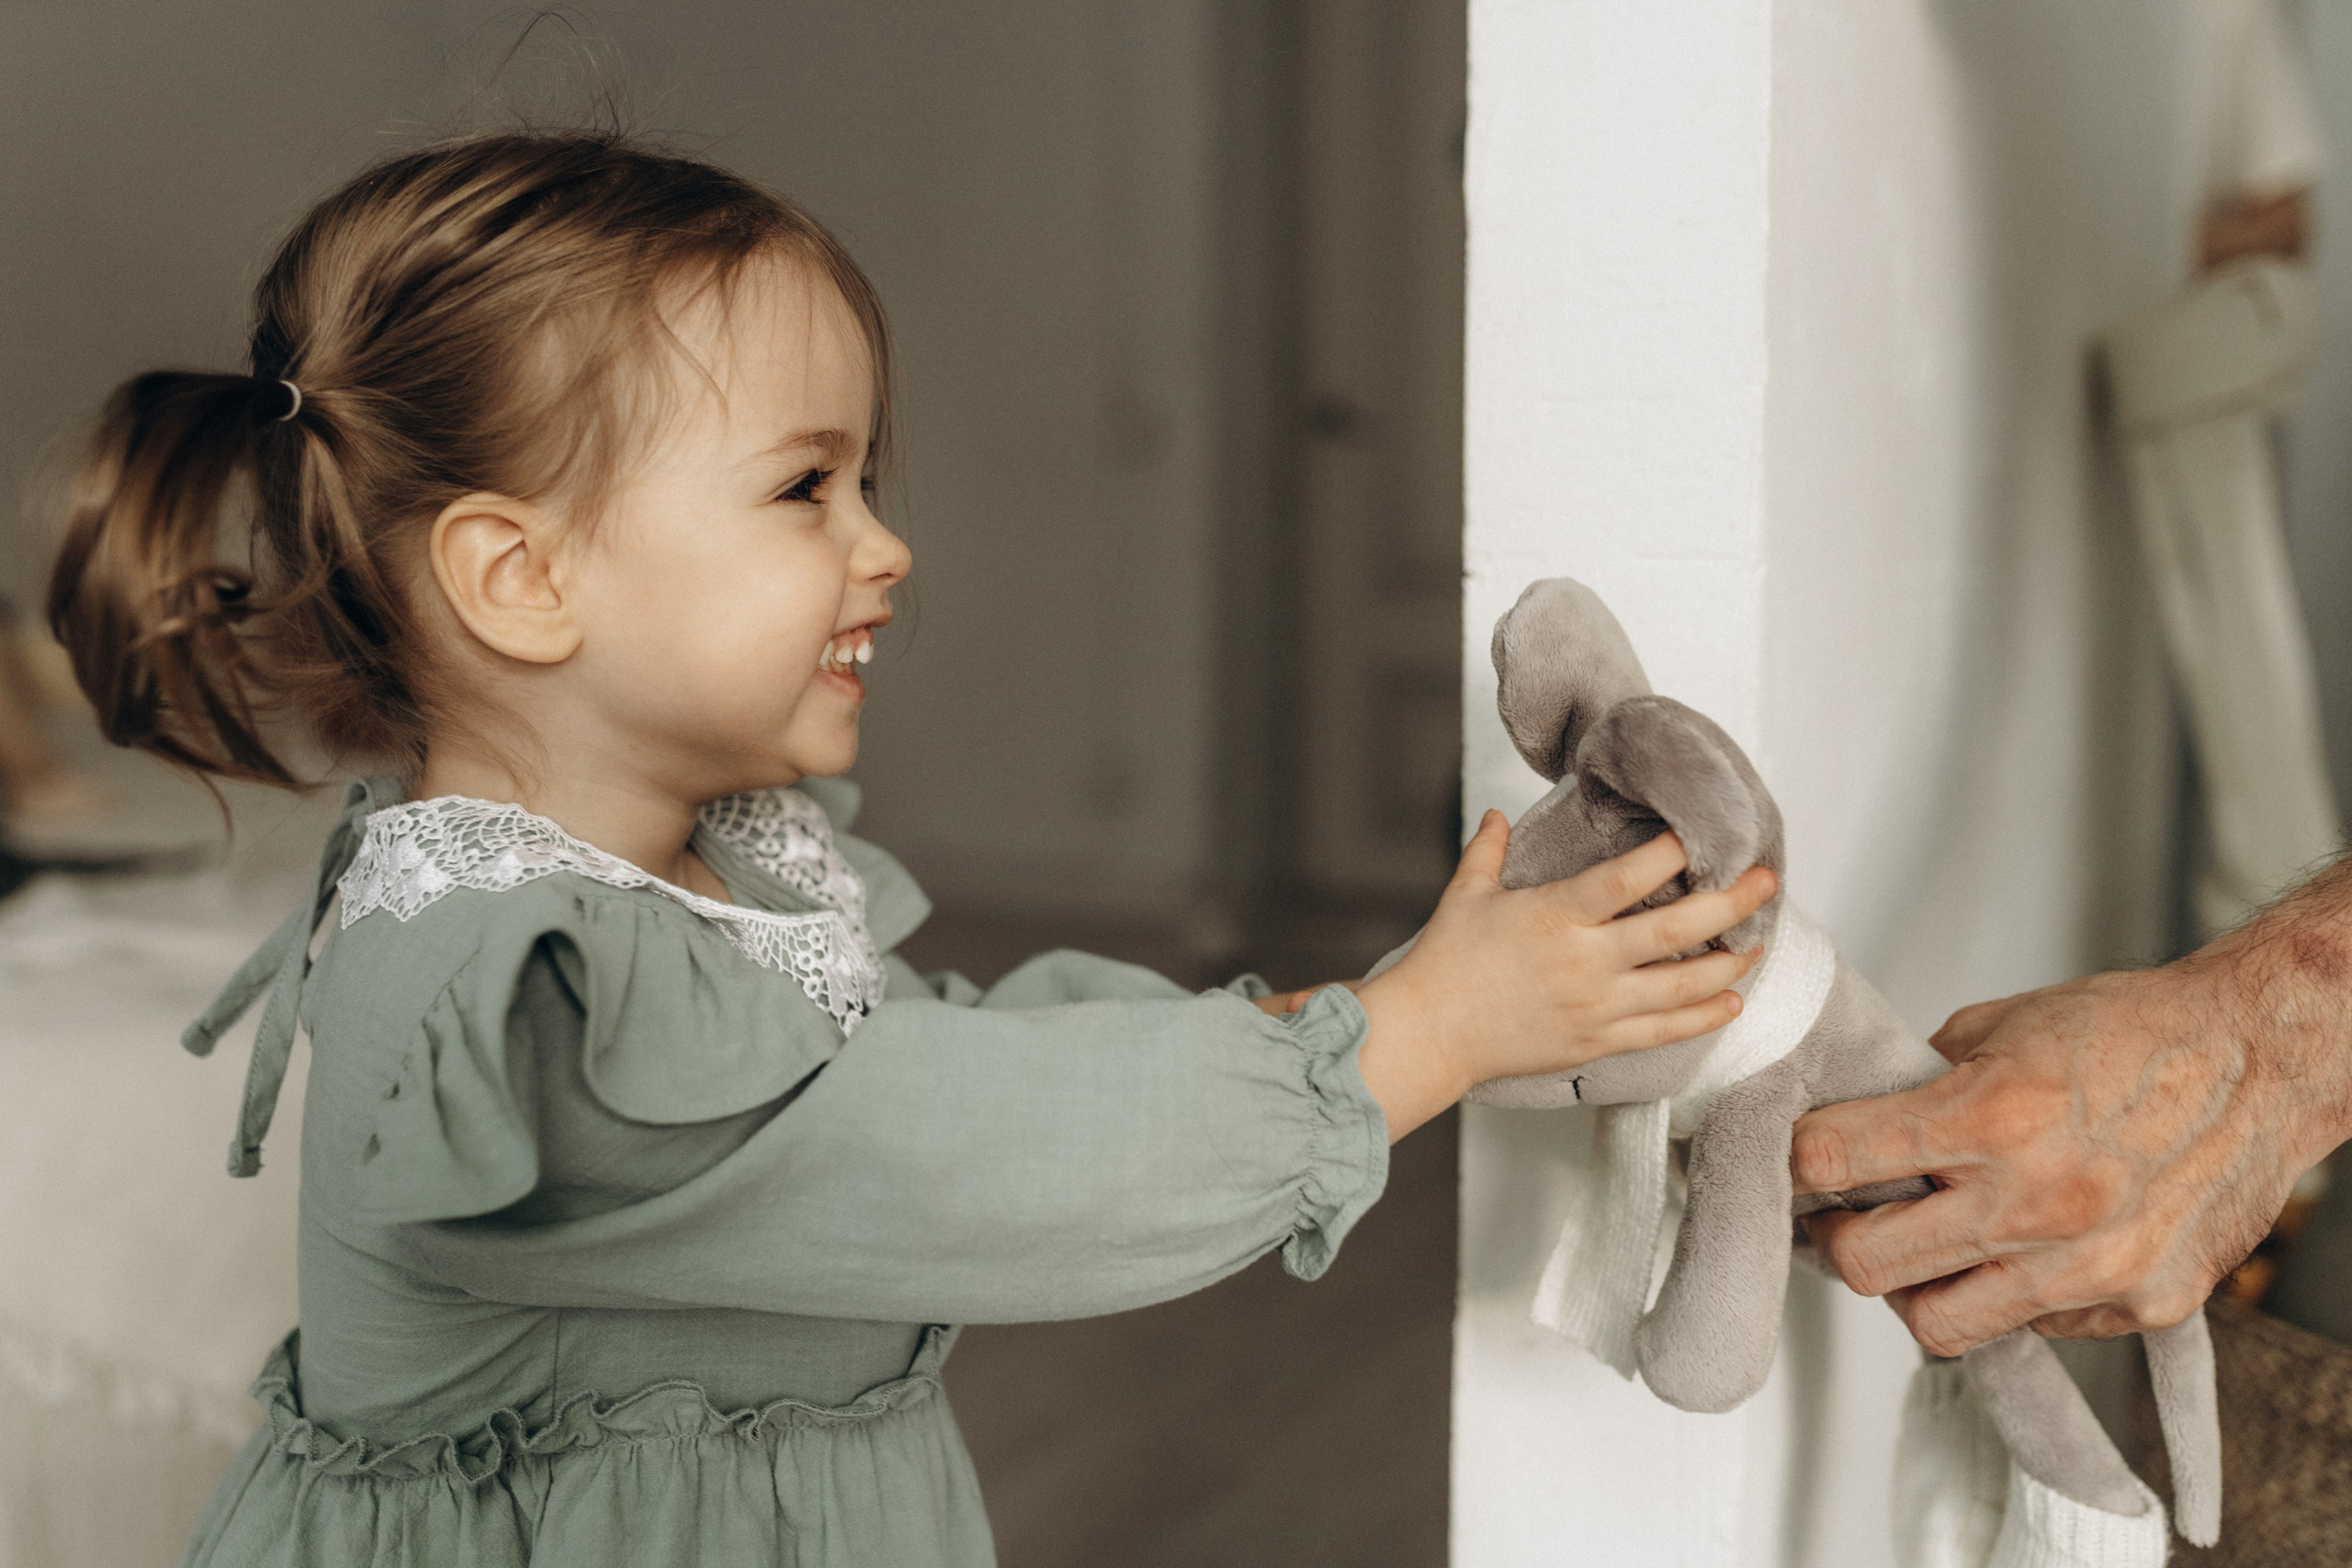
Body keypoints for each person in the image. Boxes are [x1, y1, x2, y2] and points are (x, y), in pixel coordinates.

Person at [43, 131, 1774, 1566]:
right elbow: (961, 1157)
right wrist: (1416, 1044)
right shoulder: (516, 996)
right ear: (523, 577)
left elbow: (935, 1044)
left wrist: (1348, 1015)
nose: (886, 550)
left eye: (867, 481)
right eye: (806, 490)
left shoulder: (718, 872)